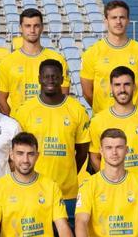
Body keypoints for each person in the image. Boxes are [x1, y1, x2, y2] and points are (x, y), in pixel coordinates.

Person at [14, 59, 90, 218]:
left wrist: (69, 171)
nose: (50, 80)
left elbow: (82, 150)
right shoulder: (25, 110)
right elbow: (17, 152)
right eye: (46, 76)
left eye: (55, 77)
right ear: (39, 79)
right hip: (33, 188)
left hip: (67, 192)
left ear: (62, 79)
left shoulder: (76, 109)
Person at [88, 66, 138, 183]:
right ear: (111, 88)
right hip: (109, 192)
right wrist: (111, 180)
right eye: (117, 85)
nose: (122, 89)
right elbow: (94, 157)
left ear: (134, 86)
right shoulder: (97, 121)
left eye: (127, 84)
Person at [80, 1, 138, 114]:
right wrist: (104, 113)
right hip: (103, 123)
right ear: (106, 21)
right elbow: (87, 92)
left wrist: (127, 110)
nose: (118, 22)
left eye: (122, 17)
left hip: (133, 122)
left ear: (128, 21)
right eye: (114, 18)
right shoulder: (92, 52)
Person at [0, 9, 69, 116]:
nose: (32, 30)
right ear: (21, 28)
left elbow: (63, 95)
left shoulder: (57, 59)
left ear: (42, 27)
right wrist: (12, 121)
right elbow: (1, 99)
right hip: (19, 126)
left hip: (49, 121)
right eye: (28, 26)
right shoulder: (7, 62)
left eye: (36, 25)